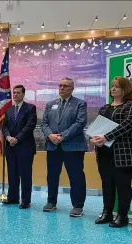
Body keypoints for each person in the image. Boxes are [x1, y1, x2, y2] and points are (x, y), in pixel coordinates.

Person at [91, 77, 132, 228]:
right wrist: (95, 138)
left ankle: (122, 216)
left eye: (117, 87)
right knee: (107, 184)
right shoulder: (105, 108)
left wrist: (106, 136)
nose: (113, 89)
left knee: (123, 185)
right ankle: (107, 213)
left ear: (125, 89)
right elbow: (97, 126)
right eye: (112, 86)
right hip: (104, 152)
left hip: (124, 153)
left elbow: (128, 124)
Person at [41, 77, 88, 217]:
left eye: (65, 86)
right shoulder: (50, 104)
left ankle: (78, 206)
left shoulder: (80, 104)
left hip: (73, 146)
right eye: (60, 85)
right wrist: (50, 135)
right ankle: (51, 202)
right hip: (53, 146)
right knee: (52, 176)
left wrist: (62, 136)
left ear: (72, 88)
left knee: (76, 177)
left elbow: (80, 123)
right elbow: (44, 123)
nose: (62, 88)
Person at [2, 85, 37, 209]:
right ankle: (13, 198)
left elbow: (30, 126)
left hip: (25, 147)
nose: (15, 95)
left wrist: (17, 138)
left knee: (25, 174)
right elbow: (4, 126)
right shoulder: (9, 110)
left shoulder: (30, 108)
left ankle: (25, 201)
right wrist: (8, 137)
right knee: (12, 173)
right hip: (10, 147)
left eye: (18, 93)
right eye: (14, 93)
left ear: (23, 94)